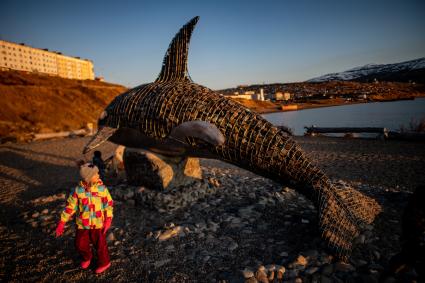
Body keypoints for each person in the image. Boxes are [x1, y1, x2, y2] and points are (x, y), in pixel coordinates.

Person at [55, 163, 114, 274]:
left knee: (100, 245)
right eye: (96, 173)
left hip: (98, 223)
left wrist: (108, 218)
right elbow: (70, 207)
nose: (98, 175)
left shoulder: (102, 189)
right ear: (88, 177)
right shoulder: (78, 191)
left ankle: (105, 262)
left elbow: (108, 204)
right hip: (83, 223)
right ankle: (87, 257)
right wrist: (62, 222)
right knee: (79, 244)